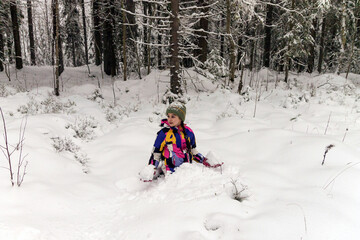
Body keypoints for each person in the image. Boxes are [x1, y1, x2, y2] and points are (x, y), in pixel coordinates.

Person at [140, 102, 222, 181]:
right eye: (168, 116)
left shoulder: (188, 132)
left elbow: (192, 151)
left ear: (180, 118)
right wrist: (151, 168)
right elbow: (156, 153)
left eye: (173, 116)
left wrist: (204, 160)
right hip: (170, 170)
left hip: (187, 168)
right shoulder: (164, 133)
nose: (170, 119)